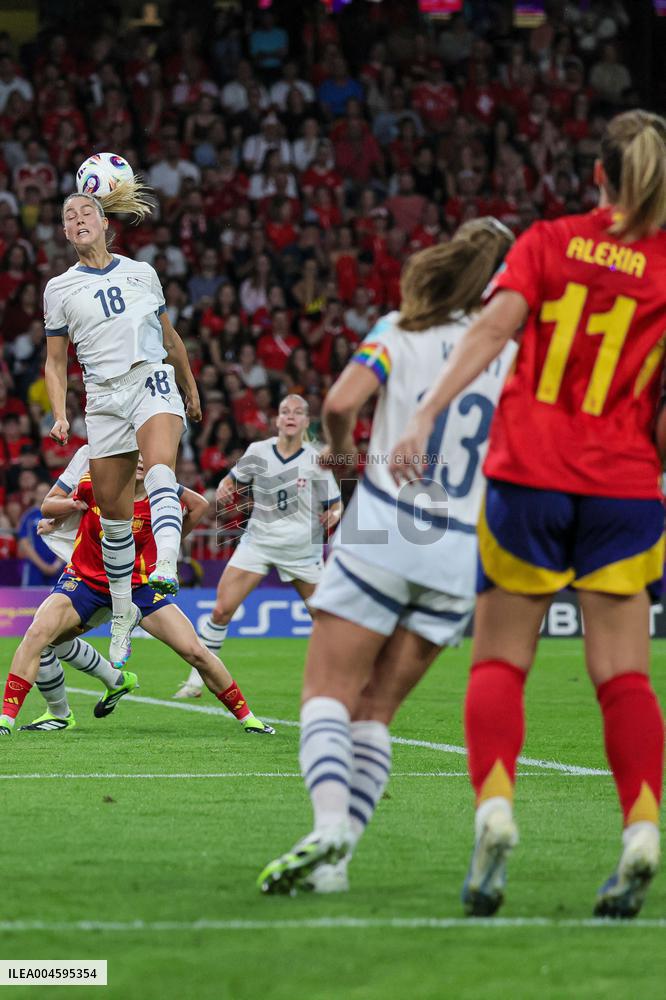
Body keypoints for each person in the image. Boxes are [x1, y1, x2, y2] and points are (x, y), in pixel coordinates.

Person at [389, 110, 666, 920]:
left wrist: (424, 414)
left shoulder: (549, 240)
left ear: (598, 177)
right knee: (624, 678)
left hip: (530, 475)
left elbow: (492, 329)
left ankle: (496, 812)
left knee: (501, 661)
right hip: (623, 486)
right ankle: (643, 827)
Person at [257, 219, 516, 895]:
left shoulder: (399, 328)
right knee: (376, 711)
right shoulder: (519, 353)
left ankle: (330, 827)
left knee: (327, 694)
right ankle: (337, 865)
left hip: (386, 525)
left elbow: (341, 402)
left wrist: (345, 460)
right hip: (461, 547)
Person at [43, 176, 202, 672]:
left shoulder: (142, 273)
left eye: (86, 213)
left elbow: (170, 337)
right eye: (69, 218)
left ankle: (166, 565)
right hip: (103, 397)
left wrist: (190, 387)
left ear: (105, 223)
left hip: (149, 379)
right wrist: (59, 412)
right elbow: (54, 361)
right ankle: (120, 616)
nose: (78, 221)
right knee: (113, 519)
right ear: (67, 234)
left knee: (159, 469)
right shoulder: (60, 288)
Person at [0, 451, 274, 737]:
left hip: (138, 587)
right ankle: (6, 720)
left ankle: (248, 718)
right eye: (136, 456)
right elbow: (55, 506)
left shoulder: (162, 499)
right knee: (37, 636)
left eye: (147, 456)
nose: (141, 461)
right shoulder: (97, 483)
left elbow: (198, 505)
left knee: (195, 652)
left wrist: (169, 546)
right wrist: (58, 521)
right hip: (86, 582)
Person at [175, 394, 341, 699]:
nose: (291, 416)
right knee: (222, 610)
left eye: (298, 412)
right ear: (277, 420)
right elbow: (230, 481)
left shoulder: (316, 459)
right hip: (259, 542)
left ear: (306, 422)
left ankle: (340, 681)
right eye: (285, 411)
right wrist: (226, 489)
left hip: (301, 548)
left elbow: (336, 505)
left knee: (323, 617)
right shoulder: (258, 451)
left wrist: (332, 516)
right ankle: (195, 683)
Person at [17, 481, 63, 585]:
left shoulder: (60, 515)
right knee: (30, 600)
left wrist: (56, 565)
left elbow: (66, 541)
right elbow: (25, 545)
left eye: (47, 492)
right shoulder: (28, 516)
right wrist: (43, 566)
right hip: (34, 568)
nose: (44, 495)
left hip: (58, 568)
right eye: (41, 492)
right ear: (35, 494)